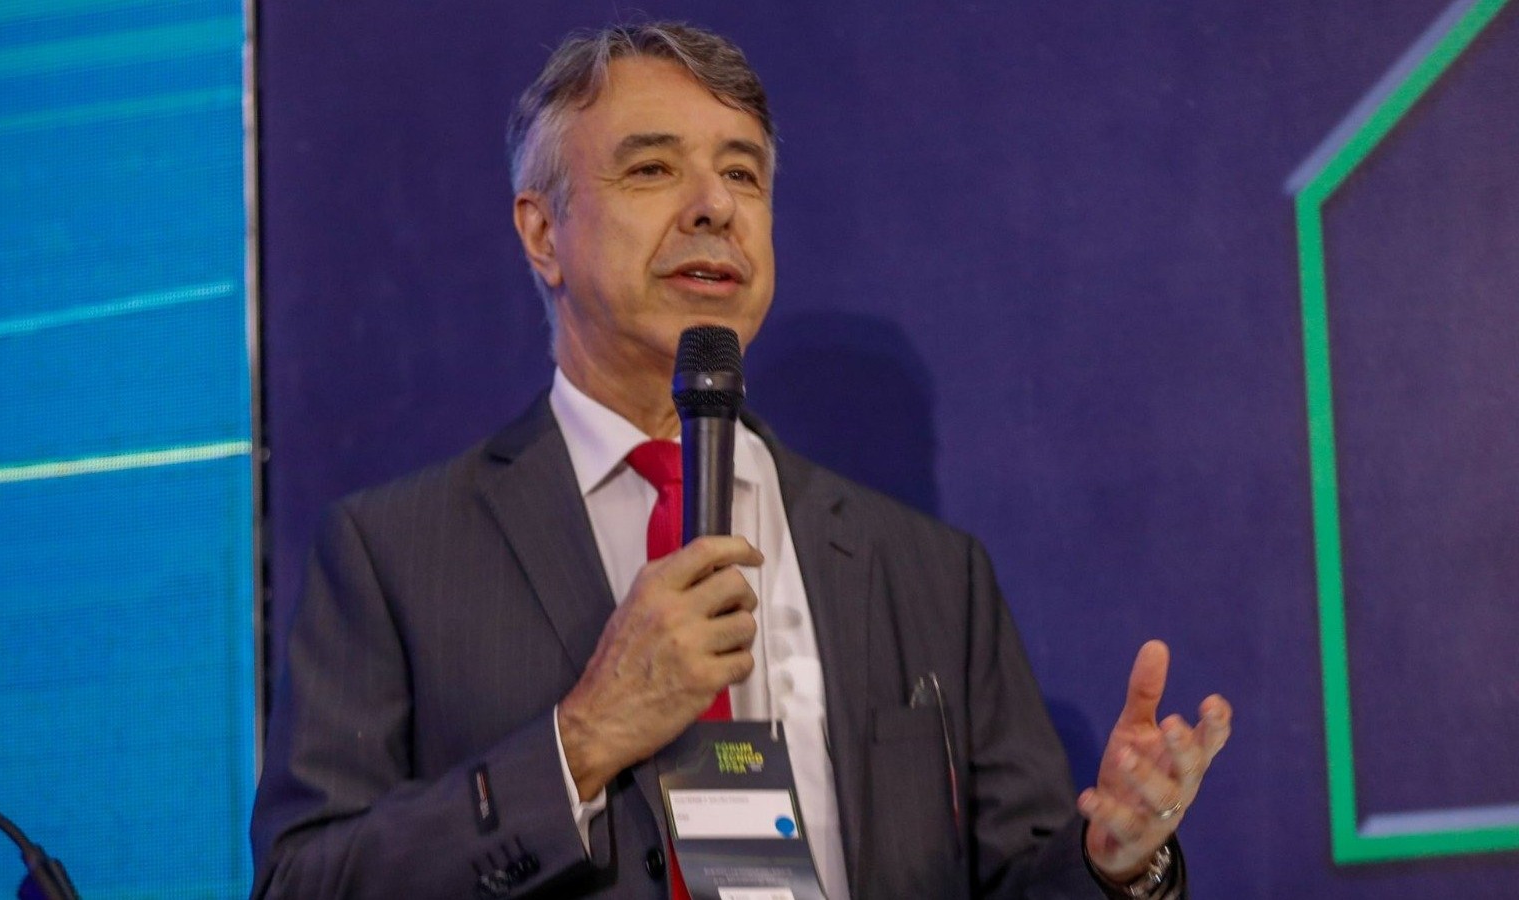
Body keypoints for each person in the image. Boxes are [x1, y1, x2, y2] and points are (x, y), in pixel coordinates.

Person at [250, 22, 1232, 899]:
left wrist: (1114, 865)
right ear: (542, 232)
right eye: (650, 170)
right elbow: (303, 883)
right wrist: (580, 743)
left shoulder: (930, 573)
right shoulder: (395, 555)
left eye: (744, 173)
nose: (714, 205)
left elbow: (1017, 880)